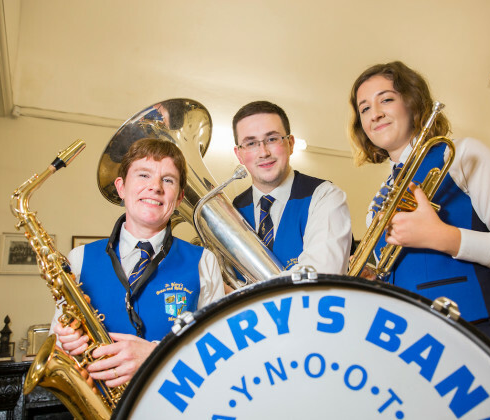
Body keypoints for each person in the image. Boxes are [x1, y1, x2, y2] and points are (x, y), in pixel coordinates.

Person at [347, 61, 490, 406]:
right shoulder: (379, 198)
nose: (374, 114)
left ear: (413, 103)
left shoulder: (464, 155)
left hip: (480, 333)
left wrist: (444, 237)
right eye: (364, 107)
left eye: (386, 99)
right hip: (413, 350)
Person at [52, 138, 225, 388]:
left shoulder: (204, 261)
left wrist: (157, 355)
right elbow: (56, 346)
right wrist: (66, 342)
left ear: (179, 198)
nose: (155, 187)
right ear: (121, 187)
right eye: (143, 175)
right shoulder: (78, 259)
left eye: (168, 180)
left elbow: (217, 347)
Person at [232, 100, 352, 274]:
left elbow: (321, 275)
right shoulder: (234, 209)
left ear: (290, 144)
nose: (264, 152)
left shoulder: (325, 196)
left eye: (272, 139)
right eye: (251, 143)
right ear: (239, 155)